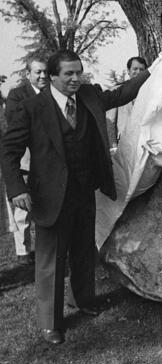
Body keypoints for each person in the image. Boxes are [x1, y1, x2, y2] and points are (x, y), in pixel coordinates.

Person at [0, 50, 150, 345]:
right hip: (49, 196)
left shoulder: (90, 95)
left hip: (85, 190)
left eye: (78, 72)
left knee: (84, 251)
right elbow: (8, 151)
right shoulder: (31, 108)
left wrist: (155, 70)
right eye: (68, 74)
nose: (75, 78)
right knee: (51, 260)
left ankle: (83, 300)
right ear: (52, 77)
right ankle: (50, 323)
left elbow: (122, 93)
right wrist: (17, 189)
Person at [3, 57, 49, 265]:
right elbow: (16, 124)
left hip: (47, 162)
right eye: (38, 72)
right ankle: (23, 251)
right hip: (25, 160)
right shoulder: (17, 95)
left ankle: (44, 249)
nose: (42, 76)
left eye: (45, 72)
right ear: (28, 74)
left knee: (45, 208)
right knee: (22, 209)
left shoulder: (52, 94)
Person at [106, 56, 148, 149]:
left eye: (142, 69)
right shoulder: (116, 91)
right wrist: (113, 147)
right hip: (122, 144)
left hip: (143, 145)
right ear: (128, 71)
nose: (138, 72)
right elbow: (110, 122)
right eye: (135, 69)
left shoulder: (150, 93)